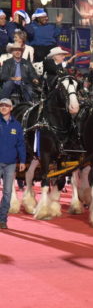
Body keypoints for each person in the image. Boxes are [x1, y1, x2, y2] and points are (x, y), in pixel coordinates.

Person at [0, 98, 26, 229]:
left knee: (7, 193)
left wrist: (22, 160)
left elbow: (21, 144)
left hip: (10, 163)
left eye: (6, 105)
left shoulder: (16, 125)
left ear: (11, 108)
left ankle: (2, 219)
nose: (3, 107)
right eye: (1, 105)